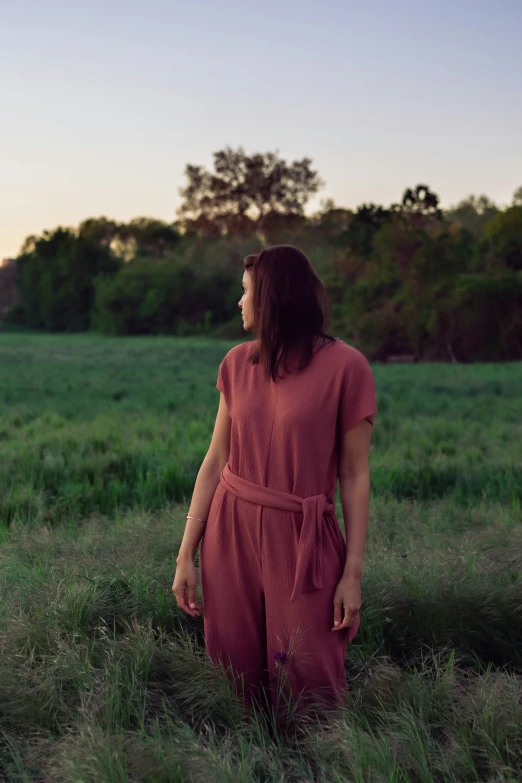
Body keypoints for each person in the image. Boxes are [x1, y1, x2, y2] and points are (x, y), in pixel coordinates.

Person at [172, 244, 377, 724]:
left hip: (301, 536)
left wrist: (352, 574)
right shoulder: (237, 363)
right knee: (233, 670)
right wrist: (186, 553)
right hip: (230, 531)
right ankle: (246, 762)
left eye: (245, 293)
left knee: (309, 670)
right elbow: (215, 459)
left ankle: (319, 764)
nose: (238, 303)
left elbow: (354, 474)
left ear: (271, 297)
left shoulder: (347, 367)